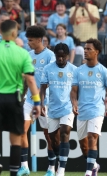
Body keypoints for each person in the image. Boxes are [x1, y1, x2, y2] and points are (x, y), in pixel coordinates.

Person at [0, 20, 41, 176]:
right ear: (14, 33)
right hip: (14, 98)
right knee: (16, 140)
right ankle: (13, 173)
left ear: (0, 32)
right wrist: (37, 102)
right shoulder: (22, 53)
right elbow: (30, 80)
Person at [71, 38, 107, 176]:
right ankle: (94, 165)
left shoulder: (104, 72)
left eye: (89, 49)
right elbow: (74, 91)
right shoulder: (78, 71)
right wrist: (74, 104)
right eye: (85, 49)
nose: (85, 51)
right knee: (84, 146)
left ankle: (88, 172)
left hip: (97, 110)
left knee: (93, 137)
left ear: (97, 52)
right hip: (81, 111)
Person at [21, 25, 56, 176]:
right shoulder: (28, 55)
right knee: (22, 130)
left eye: (30, 40)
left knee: (49, 135)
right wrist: (22, 96)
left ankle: (51, 167)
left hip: (46, 101)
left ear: (39, 40)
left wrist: (42, 101)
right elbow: (26, 78)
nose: (28, 42)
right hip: (29, 99)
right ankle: (24, 167)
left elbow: (51, 79)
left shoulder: (50, 56)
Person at [40, 43, 78, 176]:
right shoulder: (47, 69)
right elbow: (43, 88)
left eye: (63, 56)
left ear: (67, 56)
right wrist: (41, 103)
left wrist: (75, 103)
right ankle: (58, 159)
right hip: (52, 108)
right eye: (58, 56)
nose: (60, 59)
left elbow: (77, 90)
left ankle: (61, 169)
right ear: (55, 56)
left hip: (67, 107)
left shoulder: (74, 70)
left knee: (65, 132)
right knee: (54, 140)